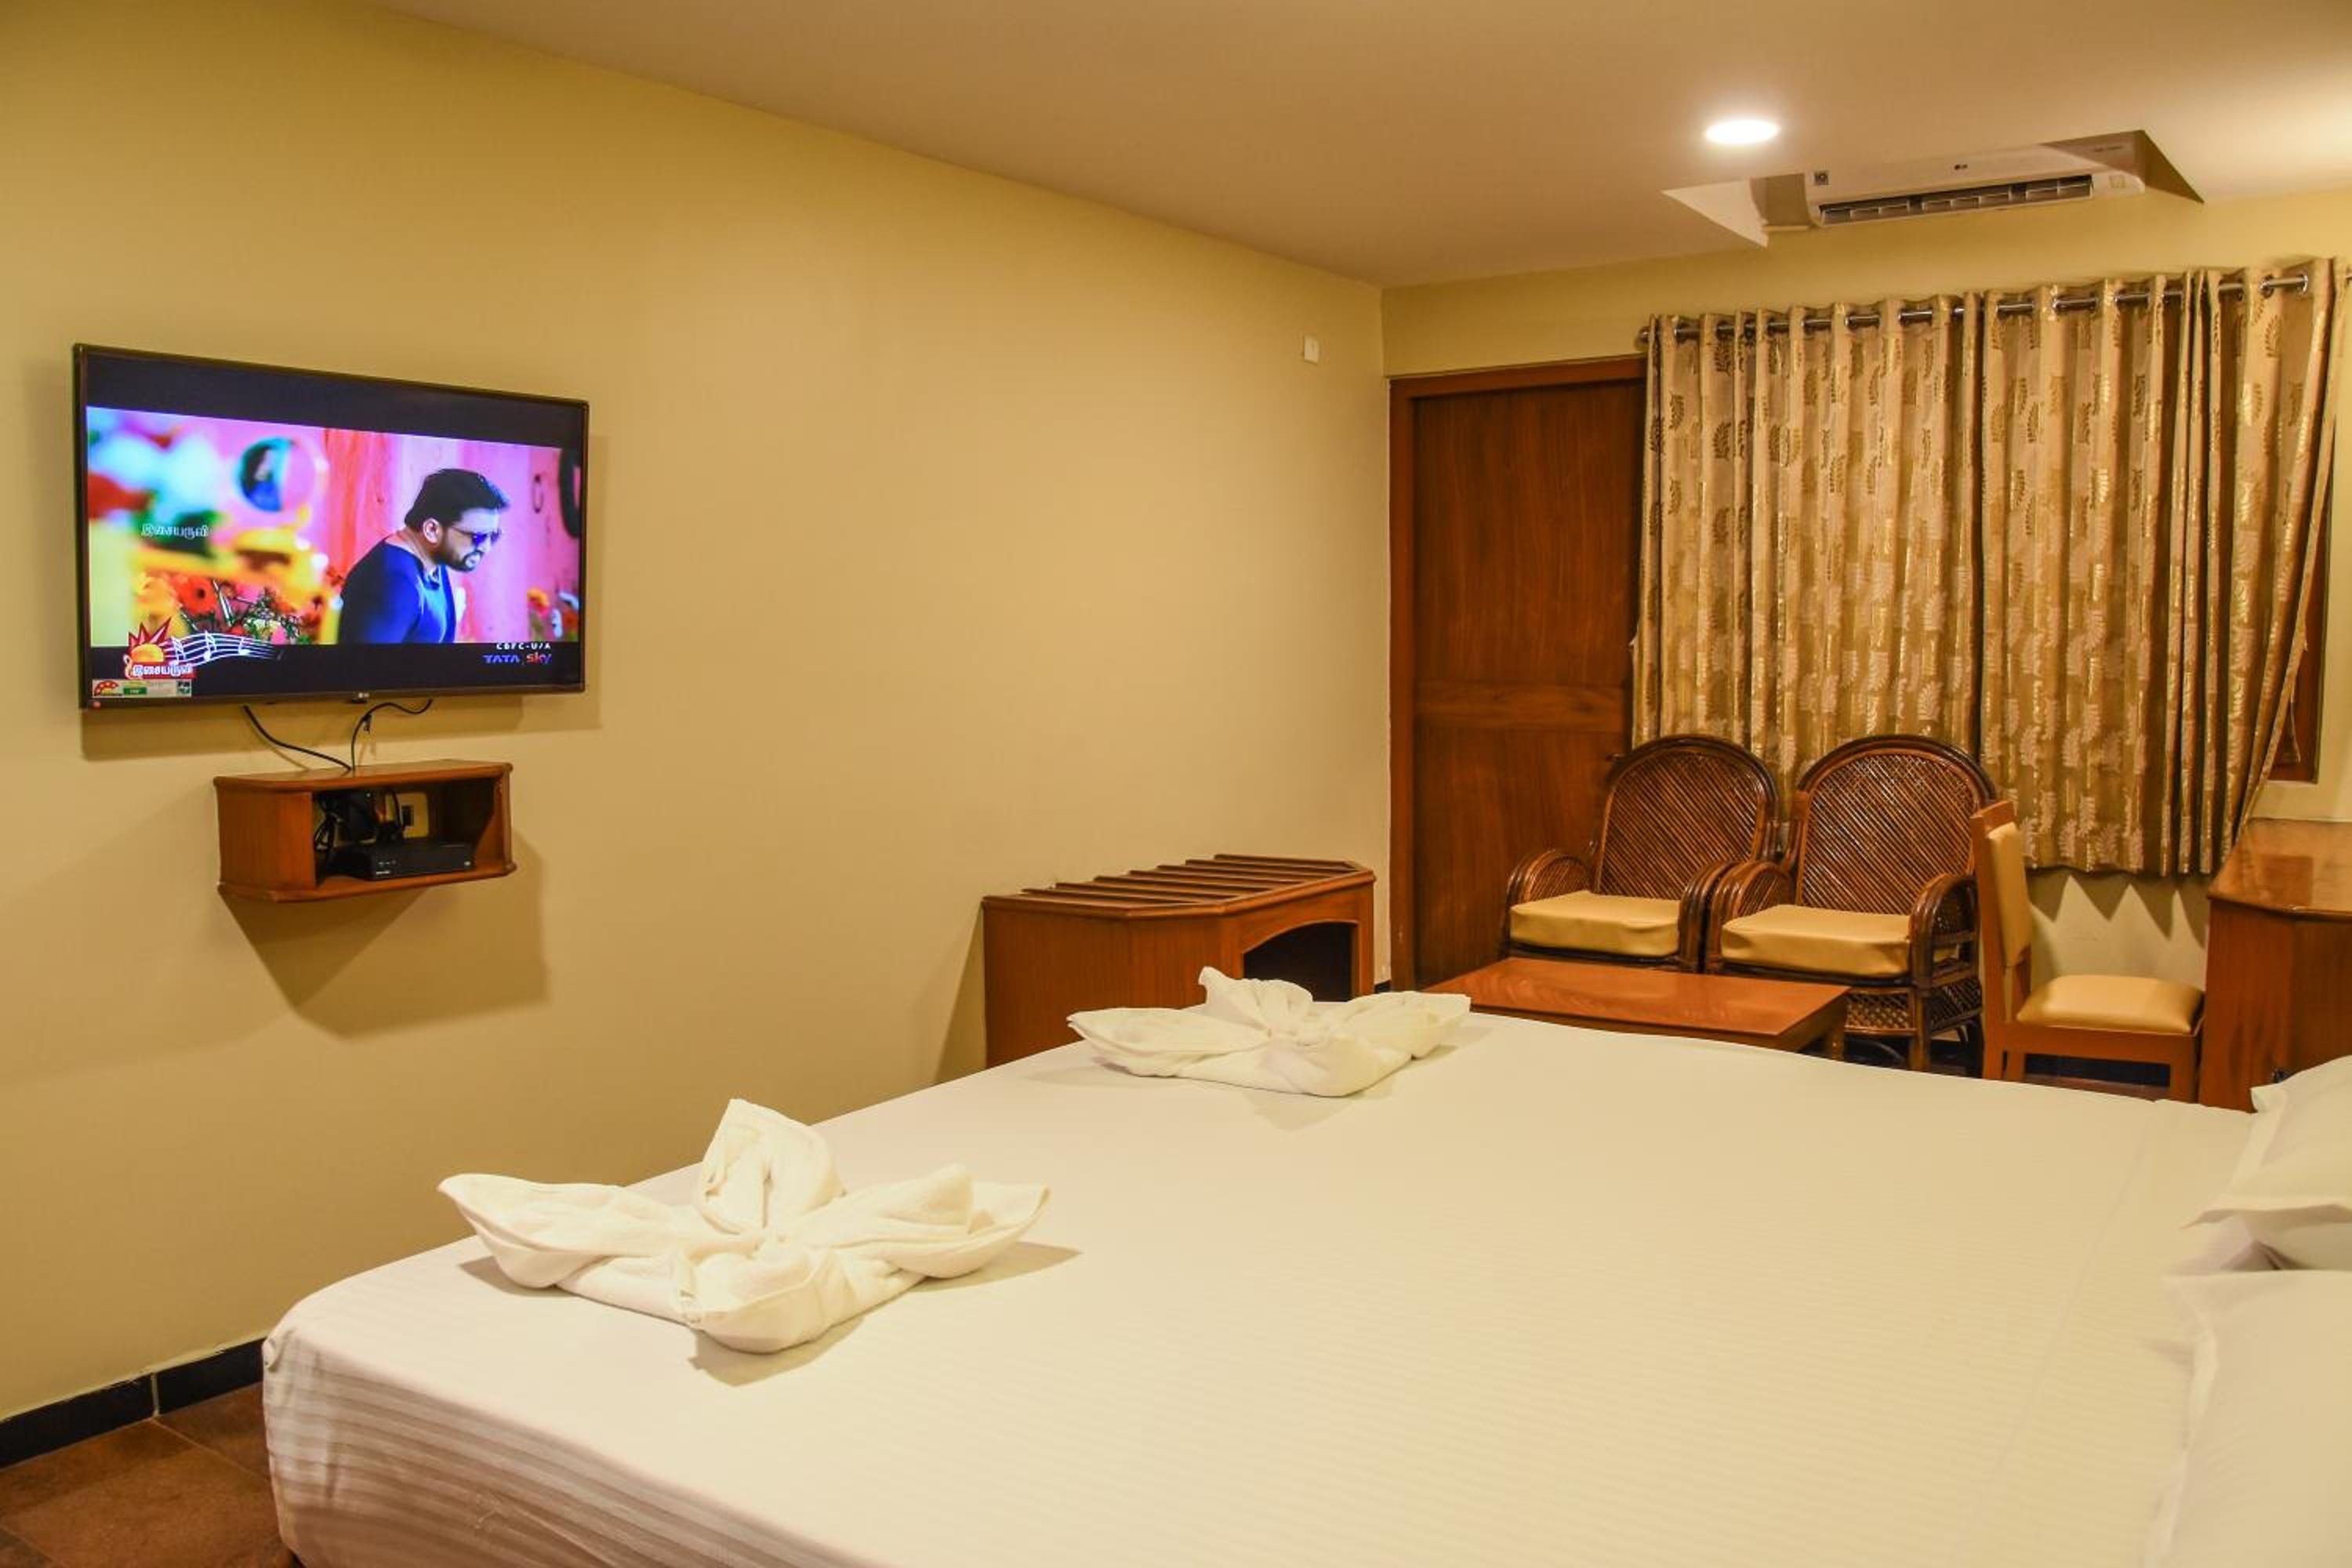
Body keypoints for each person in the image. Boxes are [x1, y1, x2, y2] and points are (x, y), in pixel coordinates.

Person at [339, 470, 507, 644]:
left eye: (494, 536)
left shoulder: (433, 559)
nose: (486, 548)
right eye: (478, 537)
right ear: (432, 530)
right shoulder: (396, 584)